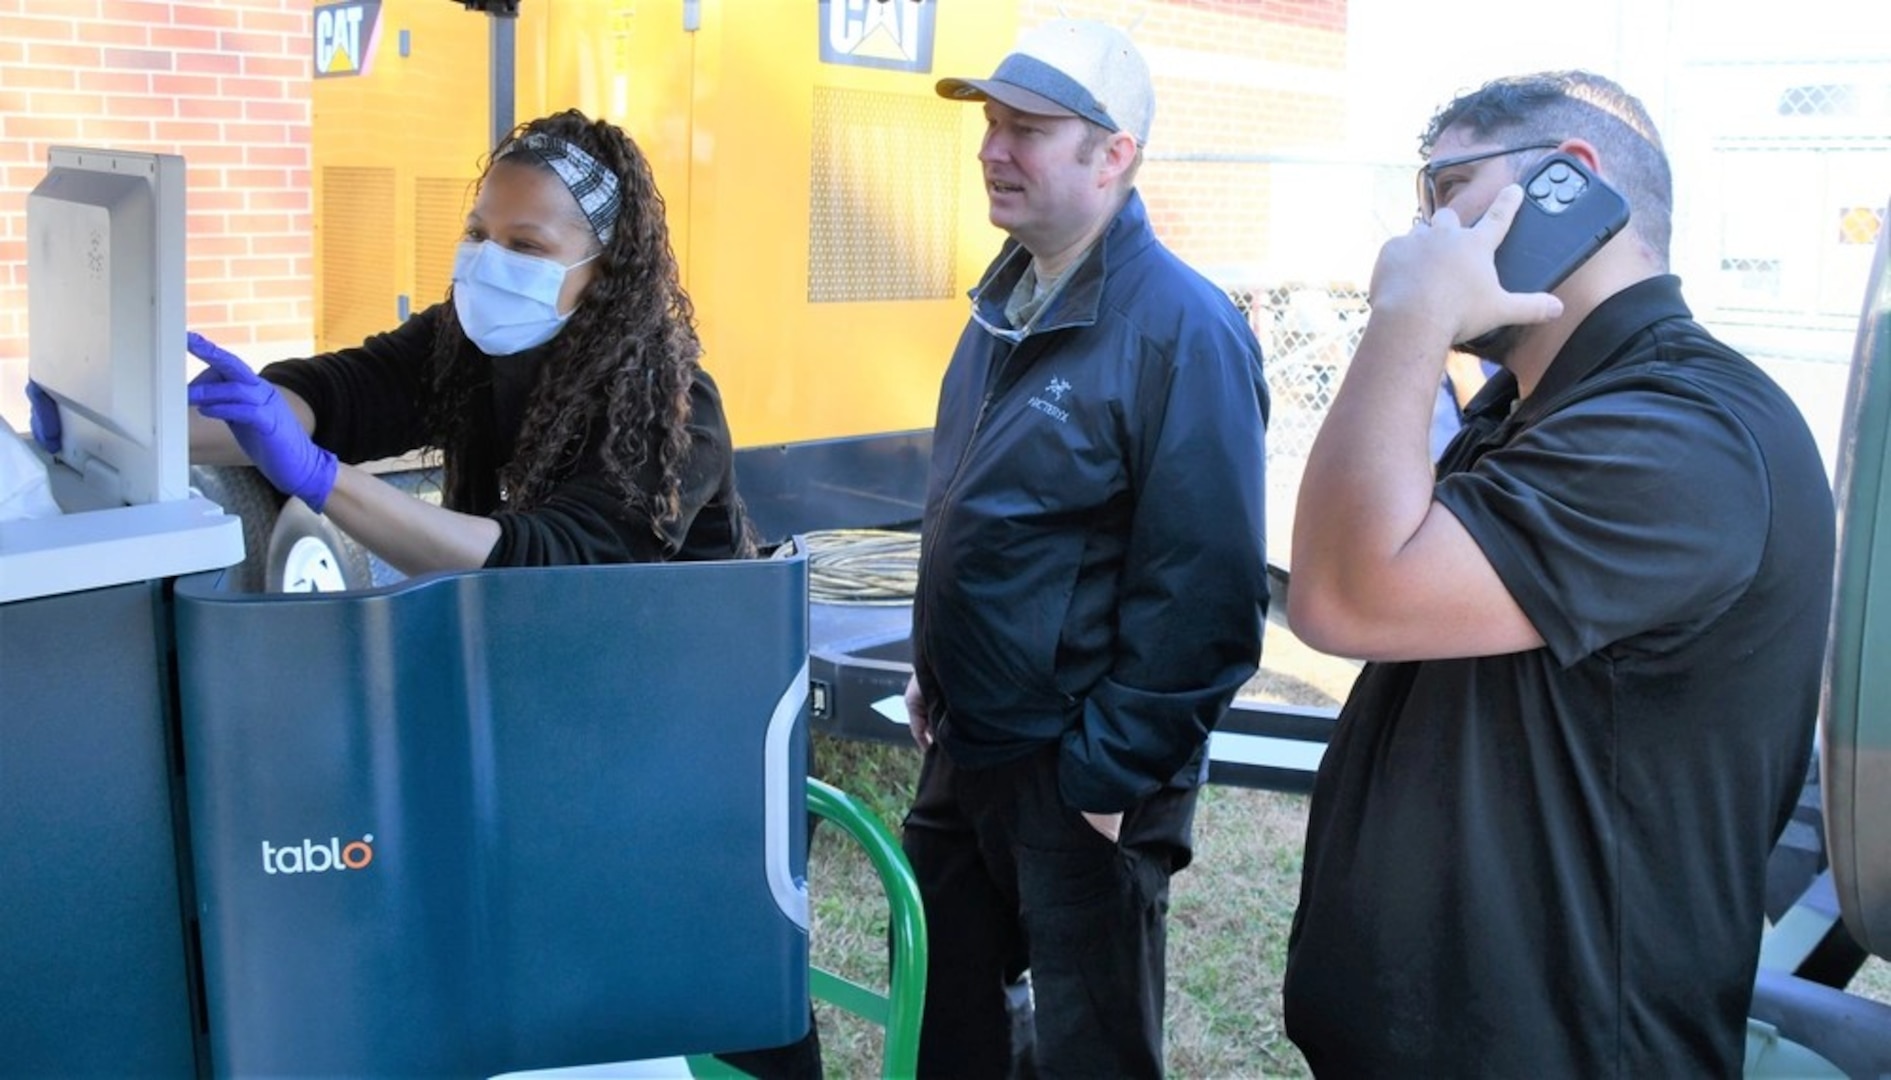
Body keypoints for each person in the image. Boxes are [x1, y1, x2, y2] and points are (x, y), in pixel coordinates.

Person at [1283, 71, 1835, 1074]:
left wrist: (1405, 318)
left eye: (1443, 191)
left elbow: (1343, 593)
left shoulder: (1684, 433)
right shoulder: (1528, 414)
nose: (1417, 235)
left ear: (1566, 184)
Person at [901, 18, 1270, 1078]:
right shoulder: (1001, 305)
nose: (990, 148)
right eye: (988, 124)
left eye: (1026, 129)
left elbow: (1205, 591)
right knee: (947, 1018)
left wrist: (1106, 778)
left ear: (1114, 155)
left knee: (1087, 1049)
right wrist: (938, 674)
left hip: (1077, 776)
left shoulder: (1182, 329)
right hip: (968, 746)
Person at [183, 107, 755, 575]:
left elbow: (545, 566)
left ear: (605, 272)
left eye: (526, 246)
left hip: (685, 674)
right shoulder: (460, 345)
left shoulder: (671, 409)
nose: (488, 262)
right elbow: (336, 395)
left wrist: (320, 478)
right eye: (479, 233)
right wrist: (168, 426)